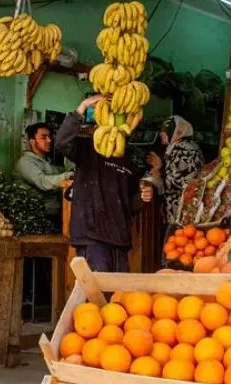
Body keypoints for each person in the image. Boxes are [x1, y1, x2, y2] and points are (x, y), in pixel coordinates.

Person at [55, 95, 162, 272]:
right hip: (92, 236)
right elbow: (61, 142)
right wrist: (82, 107)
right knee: (97, 293)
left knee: (118, 295)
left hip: (119, 238)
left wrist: (143, 197)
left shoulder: (129, 160)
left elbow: (129, 205)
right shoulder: (87, 149)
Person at [148, 115, 204, 223]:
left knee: (180, 237)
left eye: (166, 130)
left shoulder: (184, 150)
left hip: (184, 211)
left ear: (177, 132)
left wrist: (159, 168)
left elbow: (181, 182)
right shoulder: (181, 146)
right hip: (181, 209)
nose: (161, 134)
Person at [15, 122, 73, 218]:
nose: (49, 140)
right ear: (32, 141)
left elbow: (57, 174)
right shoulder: (25, 162)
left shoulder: (47, 162)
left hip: (54, 213)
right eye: (43, 137)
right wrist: (67, 175)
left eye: (49, 137)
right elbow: (43, 182)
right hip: (37, 217)